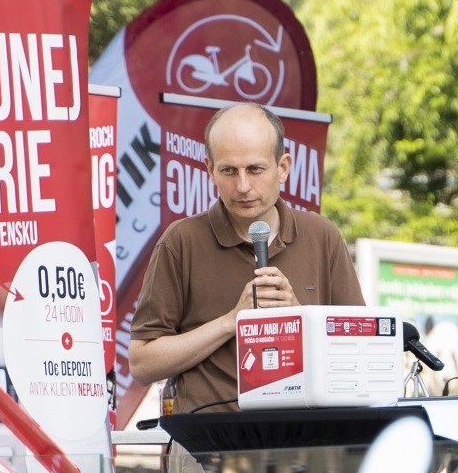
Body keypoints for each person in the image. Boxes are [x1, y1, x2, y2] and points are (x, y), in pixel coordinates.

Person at [129, 102, 364, 413]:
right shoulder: (181, 241)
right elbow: (142, 363)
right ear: (210, 170)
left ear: (283, 168)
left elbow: (359, 355)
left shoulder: (322, 236)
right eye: (229, 171)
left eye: (255, 169)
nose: (242, 186)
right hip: (211, 436)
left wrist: (298, 316)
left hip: (304, 435)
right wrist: (231, 322)